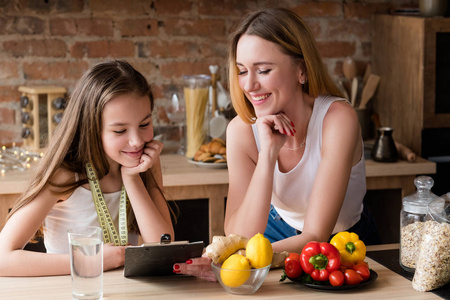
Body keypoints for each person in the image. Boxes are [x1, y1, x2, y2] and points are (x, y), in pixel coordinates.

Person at [174, 7, 379, 280]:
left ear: (301, 70)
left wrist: (243, 261)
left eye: (263, 70)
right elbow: (240, 235)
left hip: (344, 244)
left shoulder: (338, 119)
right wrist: (268, 153)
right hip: (276, 235)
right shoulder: (241, 131)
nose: (249, 84)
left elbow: (316, 234)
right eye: (242, 71)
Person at [0, 60, 174, 276]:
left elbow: (163, 248)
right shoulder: (65, 174)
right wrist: (92, 259)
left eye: (144, 124)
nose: (137, 141)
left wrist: (132, 179)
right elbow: (3, 258)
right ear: (91, 128)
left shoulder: (145, 162)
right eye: (120, 131)